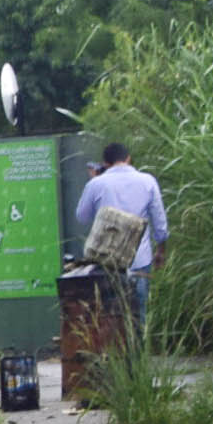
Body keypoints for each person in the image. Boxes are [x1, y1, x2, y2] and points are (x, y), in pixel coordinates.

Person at [74, 141, 170, 334]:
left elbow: (81, 217)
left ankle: (114, 358)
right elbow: (160, 222)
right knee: (138, 314)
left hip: (106, 262)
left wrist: (94, 182)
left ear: (105, 163)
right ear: (128, 159)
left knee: (109, 315)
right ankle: (137, 359)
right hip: (139, 259)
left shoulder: (96, 183)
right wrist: (161, 250)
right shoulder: (147, 181)